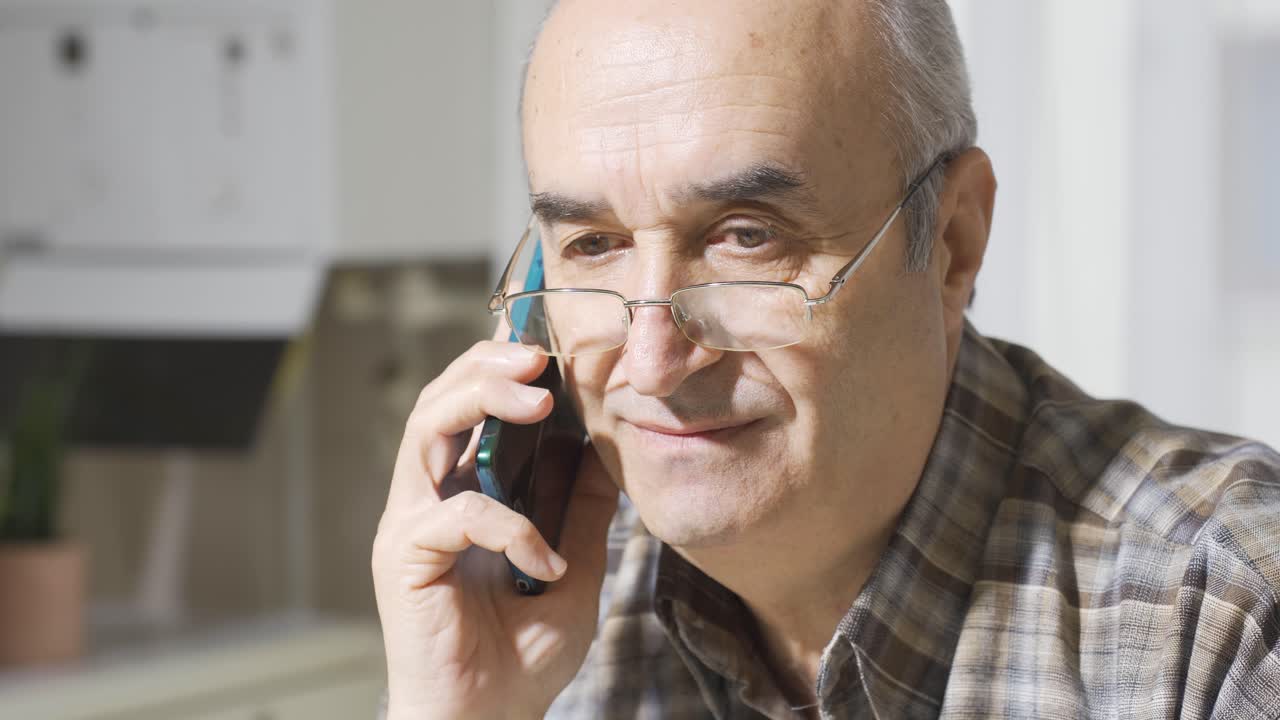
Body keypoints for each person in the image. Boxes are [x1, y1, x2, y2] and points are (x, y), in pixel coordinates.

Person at [371, 0, 1280, 717]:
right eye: (592, 246)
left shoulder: (1223, 619)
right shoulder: (545, 595)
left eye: (746, 237)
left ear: (954, 244)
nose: (649, 365)